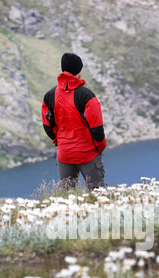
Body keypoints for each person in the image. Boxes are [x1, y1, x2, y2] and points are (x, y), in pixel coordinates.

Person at [42, 52, 107, 190]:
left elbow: (47, 125)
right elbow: (96, 127)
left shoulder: (50, 95)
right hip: (87, 154)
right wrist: (100, 146)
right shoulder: (86, 95)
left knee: (67, 198)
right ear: (78, 71)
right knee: (98, 196)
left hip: (64, 154)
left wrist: (58, 141)